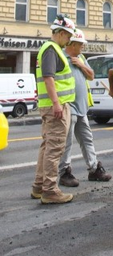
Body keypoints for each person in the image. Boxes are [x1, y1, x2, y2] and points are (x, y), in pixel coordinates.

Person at [31, 16, 78, 204]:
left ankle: (39, 186)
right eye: (68, 36)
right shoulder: (51, 50)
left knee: (47, 146)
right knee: (55, 147)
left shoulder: (51, 49)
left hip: (49, 106)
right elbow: (48, 78)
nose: (69, 40)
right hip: (55, 107)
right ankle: (50, 190)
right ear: (60, 33)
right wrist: (57, 103)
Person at [58, 29, 111, 186]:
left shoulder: (80, 58)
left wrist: (81, 64)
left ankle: (94, 169)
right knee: (67, 142)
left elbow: (91, 75)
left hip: (81, 107)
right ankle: (64, 172)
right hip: (68, 106)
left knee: (87, 138)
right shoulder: (61, 57)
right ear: (72, 44)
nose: (83, 47)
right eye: (81, 44)